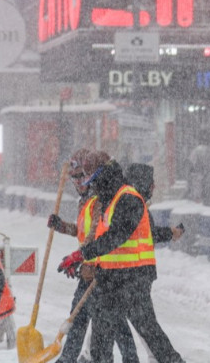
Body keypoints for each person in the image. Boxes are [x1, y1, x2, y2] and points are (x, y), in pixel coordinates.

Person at [58, 159, 186, 363]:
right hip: (112, 277)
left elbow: (116, 237)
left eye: (96, 183)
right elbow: (103, 243)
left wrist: (82, 255)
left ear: (106, 180)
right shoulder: (109, 201)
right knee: (102, 332)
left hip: (133, 278)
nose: (94, 189)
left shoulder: (128, 200)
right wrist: (84, 262)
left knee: (148, 332)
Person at [47, 149, 137, 363]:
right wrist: (62, 227)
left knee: (112, 321)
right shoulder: (85, 201)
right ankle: (70, 358)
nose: (78, 181)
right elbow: (83, 233)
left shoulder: (98, 200)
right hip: (88, 267)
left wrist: (79, 258)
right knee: (83, 318)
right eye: (75, 177)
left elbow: (96, 236)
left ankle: (123, 359)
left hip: (100, 269)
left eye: (82, 176)